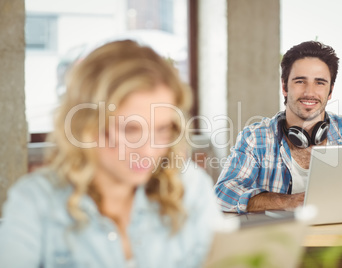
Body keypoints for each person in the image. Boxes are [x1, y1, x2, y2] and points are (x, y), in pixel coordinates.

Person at [0, 40, 222, 267]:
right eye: (130, 130)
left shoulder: (191, 189)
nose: (148, 150)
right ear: (87, 126)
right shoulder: (36, 202)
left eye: (162, 129)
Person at [214, 41, 342, 213]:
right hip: (282, 238)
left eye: (320, 82)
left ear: (330, 92)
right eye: (300, 81)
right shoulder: (256, 138)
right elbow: (222, 195)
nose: (309, 92)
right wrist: (287, 201)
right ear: (284, 86)